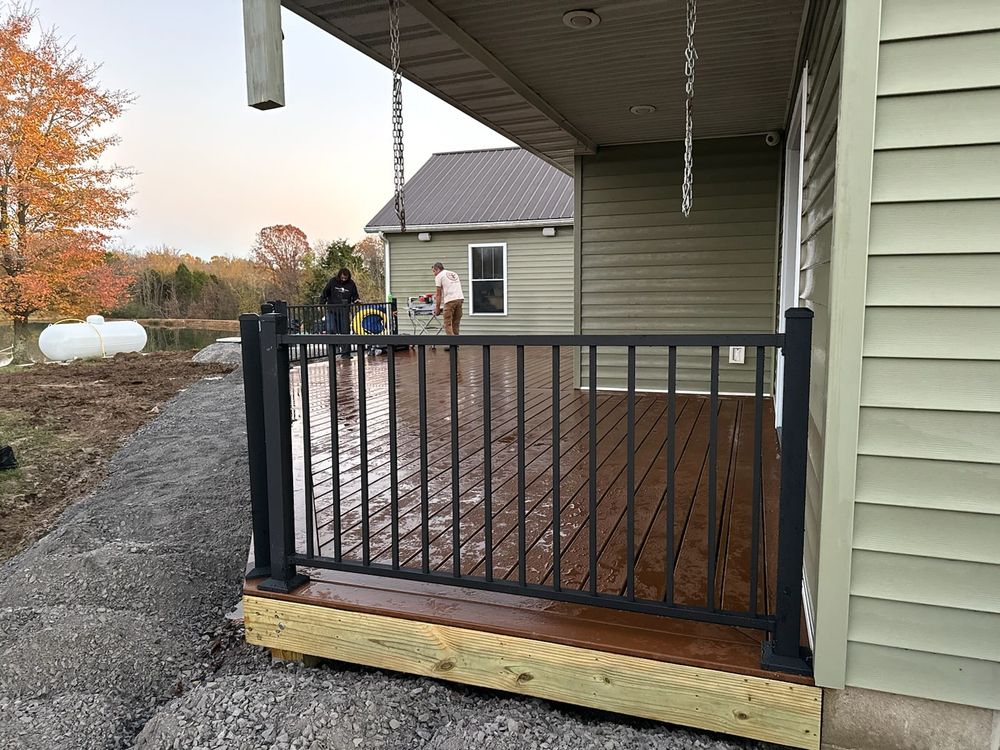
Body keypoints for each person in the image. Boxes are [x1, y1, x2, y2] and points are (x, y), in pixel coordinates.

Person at [321, 267, 360, 357]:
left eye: (345, 278)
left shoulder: (351, 284)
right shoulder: (333, 282)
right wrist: (321, 303)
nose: (344, 279)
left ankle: (346, 353)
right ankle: (333, 349)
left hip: (344, 312)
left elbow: (355, 296)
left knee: (345, 332)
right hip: (332, 310)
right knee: (330, 328)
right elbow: (325, 293)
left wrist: (357, 301)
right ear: (339, 276)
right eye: (342, 278)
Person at [432, 262, 464, 335]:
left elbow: (439, 294)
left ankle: (452, 344)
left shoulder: (439, 276)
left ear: (438, 269)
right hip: (459, 299)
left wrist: (437, 309)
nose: (434, 274)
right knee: (455, 323)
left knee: (447, 324)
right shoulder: (453, 274)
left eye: (434, 271)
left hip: (450, 301)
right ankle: (456, 345)